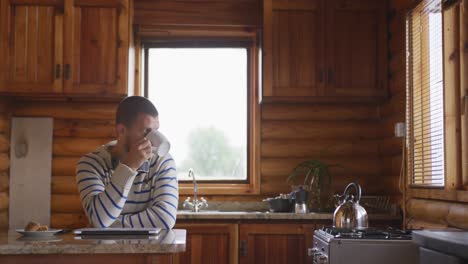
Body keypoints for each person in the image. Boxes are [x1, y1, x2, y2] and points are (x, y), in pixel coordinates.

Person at [75, 96, 178, 229]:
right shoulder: (90, 164)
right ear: (121, 131)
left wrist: (110, 225)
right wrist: (129, 166)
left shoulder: (163, 162)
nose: (153, 139)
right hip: (105, 249)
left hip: (151, 249)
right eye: (147, 131)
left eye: (156, 130)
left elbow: (165, 219)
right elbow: (100, 219)